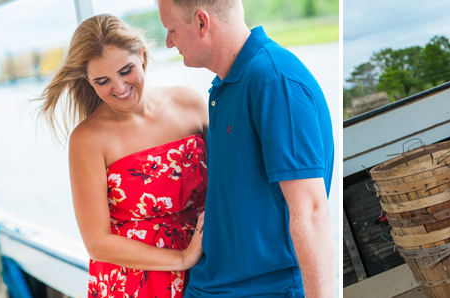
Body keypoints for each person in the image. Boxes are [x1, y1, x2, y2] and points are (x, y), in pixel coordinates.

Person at [156, 0, 336, 297]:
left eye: (172, 30)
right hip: (212, 283)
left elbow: (313, 212)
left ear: (202, 23)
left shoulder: (273, 80)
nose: (168, 42)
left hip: (266, 288)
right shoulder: (225, 84)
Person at [36, 14, 209, 298]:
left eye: (125, 70)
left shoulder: (189, 103)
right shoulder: (87, 140)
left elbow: (228, 180)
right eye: (102, 80)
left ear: (141, 55)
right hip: (137, 282)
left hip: (209, 267)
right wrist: (181, 259)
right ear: (89, 81)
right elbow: (97, 242)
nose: (119, 88)